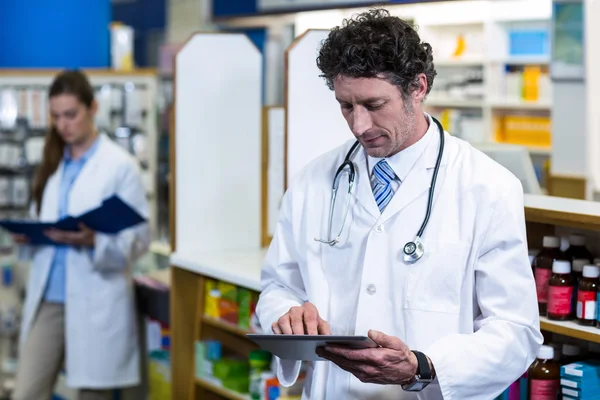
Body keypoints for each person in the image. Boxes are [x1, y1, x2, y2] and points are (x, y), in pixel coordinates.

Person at [255, 9, 543, 400]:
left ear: (418, 88)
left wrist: (422, 366)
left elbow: (516, 330)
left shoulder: (487, 187)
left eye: (374, 105)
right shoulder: (314, 181)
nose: (359, 126)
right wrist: (286, 315)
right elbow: (277, 286)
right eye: (346, 106)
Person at [10, 70, 150, 400]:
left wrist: (93, 241)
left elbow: (140, 238)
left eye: (71, 115)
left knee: (93, 395)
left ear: (93, 108)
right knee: (26, 392)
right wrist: (29, 236)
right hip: (49, 298)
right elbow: (41, 219)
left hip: (96, 296)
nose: (63, 125)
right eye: (56, 116)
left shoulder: (120, 166)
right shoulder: (52, 162)